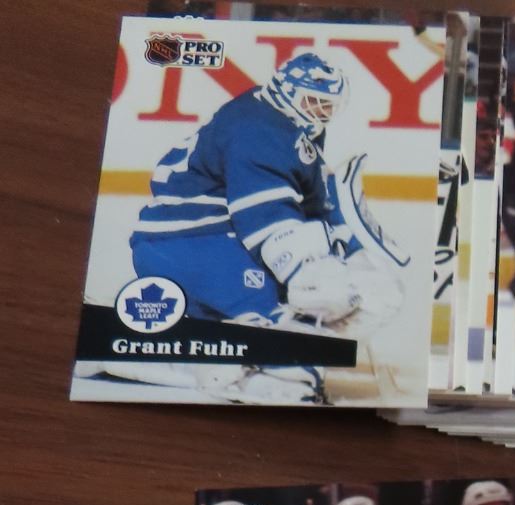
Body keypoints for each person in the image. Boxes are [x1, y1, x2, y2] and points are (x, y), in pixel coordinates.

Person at [121, 54, 405, 404]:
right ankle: (274, 376)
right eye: (314, 101)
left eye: (329, 105)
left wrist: (351, 252)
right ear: (286, 91)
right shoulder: (258, 129)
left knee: (291, 304)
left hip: (192, 240)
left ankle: (180, 351)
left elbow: (311, 202)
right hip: (192, 241)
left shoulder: (289, 124)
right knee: (285, 314)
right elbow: (264, 212)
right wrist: (307, 271)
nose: (321, 112)